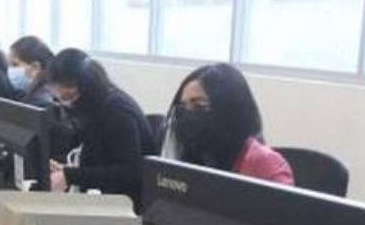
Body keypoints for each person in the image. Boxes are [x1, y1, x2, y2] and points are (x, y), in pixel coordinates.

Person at [45, 49, 157, 211]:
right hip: (101, 197)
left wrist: (71, 175)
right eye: (59, 99)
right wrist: (65, 168)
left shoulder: (117, 111)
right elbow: (92, 156)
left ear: (87, 88)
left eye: (69, 97)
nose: (66, 104)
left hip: (126, 206)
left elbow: (130, 172)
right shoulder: (92, 108)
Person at [161, 63, 293, 185]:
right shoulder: (193, 156)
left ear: (229, 109)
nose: (188, 114)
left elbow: (284, 203)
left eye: (199, 105)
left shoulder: (264, 164)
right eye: (183, 107)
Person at [8, 35, 77, 162]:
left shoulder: (42, 102)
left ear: (35, 67)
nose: (10, 71)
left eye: (15, 64)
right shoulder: (40, 92)